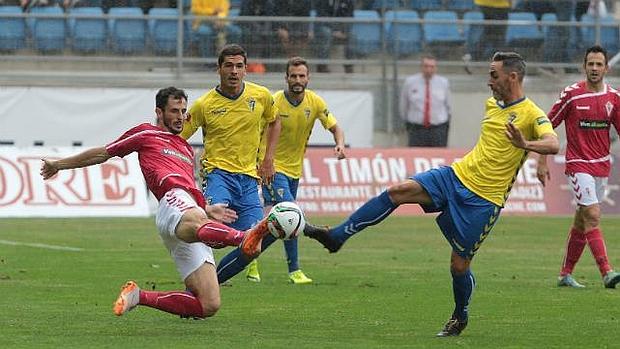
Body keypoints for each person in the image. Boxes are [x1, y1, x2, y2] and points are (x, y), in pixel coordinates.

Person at [303, 52, 560, 337]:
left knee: (459, 266)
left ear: (513, 77)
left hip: (484, 201)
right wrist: (537, 157)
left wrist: (527, 145)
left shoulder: (532, 113)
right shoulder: (492, 105)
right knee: (397, 191)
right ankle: (337, 236)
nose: (489, 81)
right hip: (456, 176)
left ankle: (460, 316)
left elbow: (552, 143)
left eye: (493, 75)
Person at [39, 87, 272, 319]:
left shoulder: (185, 148)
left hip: (189, 212)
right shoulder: (146, 133)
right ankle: (244, 238)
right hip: (171, 200)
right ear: (159, 112)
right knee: (215, 228)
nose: (181, 117)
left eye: (183, 111)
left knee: (209, 303)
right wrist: (59, 164)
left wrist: (206, 210)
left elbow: (191, 190)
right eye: (174, 111)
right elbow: (104, 152)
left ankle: (138, 296)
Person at [180, 44, 282, 283]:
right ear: (219, 69)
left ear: (246, 70)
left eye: (239, 66)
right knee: (211, 231)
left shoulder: (261, 96)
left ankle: (210, 282)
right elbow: (178, 137)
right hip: (218, 175)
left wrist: (268, 159)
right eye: (228, 66)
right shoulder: (204, 105)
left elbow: (275, 121)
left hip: (249, 180)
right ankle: (199, 274)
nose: (234, 71)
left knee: (253, 244)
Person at [245, 56, 346, 284]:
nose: (297, 80)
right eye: (293, 76)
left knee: (283, 222)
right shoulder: (274, 102)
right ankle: (297, 264)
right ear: (286, 78)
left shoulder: (315, 102)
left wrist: (339, 143)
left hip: (294, 170)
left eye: (302, 76)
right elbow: (255, 131)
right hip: (271, 167)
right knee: (291, 215)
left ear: (308, 78)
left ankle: (250, 251)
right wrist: (260, 163)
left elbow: (335, 126)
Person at [537, 45, 620, 289]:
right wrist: (542, 159)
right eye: (590, 64)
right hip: (578, 164)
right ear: (584, 67)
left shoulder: (614, 98)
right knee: (592, 216)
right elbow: (547, 125)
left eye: (599, 64)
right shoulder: (572, 94)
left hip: (601, 166)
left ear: (606, 68)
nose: (594, 68)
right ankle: (607, 272)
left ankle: (565, 274)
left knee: (581, 222)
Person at [399, 55, 451, 147]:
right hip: (416, 128)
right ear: (421, 67)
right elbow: (404, 105)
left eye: (432, 67)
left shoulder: (443, 83)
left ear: (436, 68)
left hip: (438, 128)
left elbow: (448, 105)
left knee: (438, 157)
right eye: (426, 66)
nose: (429, 70)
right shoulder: (410, 82)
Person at [313, 0, 355, 74]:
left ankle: (349, 66)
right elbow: (321, 16)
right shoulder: (322, 1)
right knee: (326, 33)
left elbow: (350, 17)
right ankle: (322, 65)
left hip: (340, 28)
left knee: (352, 36)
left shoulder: (348, 1)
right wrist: (334, 31)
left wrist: (344, 31)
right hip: (324, 26)